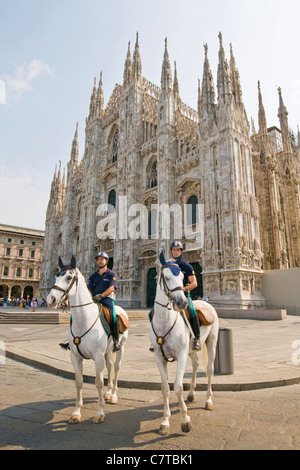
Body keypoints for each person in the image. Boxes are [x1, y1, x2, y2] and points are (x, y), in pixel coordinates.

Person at [59, 252, 121, 353]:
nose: (100, 261)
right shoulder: (93, 275)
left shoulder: (111, 274)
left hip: (106, 300)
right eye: (98, 259)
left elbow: (112, 288)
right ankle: (70, 340)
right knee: (73, 316)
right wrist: (89, 297)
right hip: (93, 300)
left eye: (102, 259)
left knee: (113, 316)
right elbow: (89, 289)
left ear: (106, 261)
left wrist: (101, 295)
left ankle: (116, 340)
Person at [149, 241, 201, 352]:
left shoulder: (186, 266)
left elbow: (194, 283)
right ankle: (155, 339)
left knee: (192, 311)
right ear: (171, 251)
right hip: (169, 297)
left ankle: (196, 338)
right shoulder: (168, 266)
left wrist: (184, 289)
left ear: (181, 252)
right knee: (151, 314)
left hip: (184, 295)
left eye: (178, 250)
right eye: (174, 250)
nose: (176, 252)